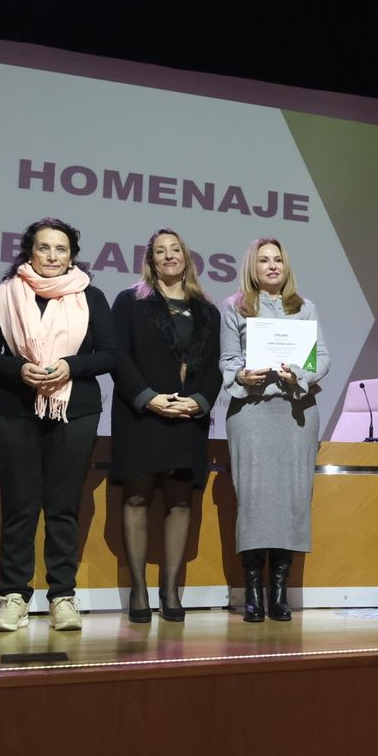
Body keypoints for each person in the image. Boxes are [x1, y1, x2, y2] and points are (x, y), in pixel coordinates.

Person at [0, 219, 117, 631]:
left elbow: (110, 354)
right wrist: (19, 369)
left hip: (76, 410)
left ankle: (62, 597)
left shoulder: (91, 296)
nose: (52, 256)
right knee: (19, 505)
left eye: (61, 249)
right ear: (29, 252)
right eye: (44, 248)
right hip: (14, 408)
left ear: (72, 256)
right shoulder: (7, 295)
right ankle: (14, 597)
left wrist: (71, 366)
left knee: (63, 505)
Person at [111, 229, 222, 622]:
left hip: (188, 418)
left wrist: (200, 401)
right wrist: (148, 398)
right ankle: (139, 590)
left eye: (175, 249)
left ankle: (171, 590)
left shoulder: (208, 310)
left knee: (180, 501)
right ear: (151, 260)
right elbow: (118, 356)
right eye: (161, 251)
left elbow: (215, 366)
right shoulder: (130, 302)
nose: (169, 255)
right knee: (136, 498)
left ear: (186, 258)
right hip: (141, 415)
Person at [219, 237, 331, 622]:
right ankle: (252, 589)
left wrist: (301, 373)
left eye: (278, 260)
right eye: (264, 260)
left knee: (292, 499)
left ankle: (279, 592)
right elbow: (227, 359)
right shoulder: (234, 306)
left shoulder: (305, 307)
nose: (272, 266)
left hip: (296, 412)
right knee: (253, 501)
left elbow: (322, 357)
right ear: (252, 266)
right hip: (251, 412)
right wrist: (241, 375)